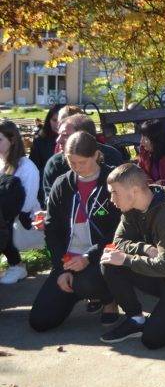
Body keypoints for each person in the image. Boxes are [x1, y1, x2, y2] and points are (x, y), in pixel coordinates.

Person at [97, 164, 165, 348]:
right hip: (161, 275)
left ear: (135, 190)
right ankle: (136, 319)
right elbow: (119, 241)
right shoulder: (130, 209)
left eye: (115, 192)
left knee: (152, 340)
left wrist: (127, 259)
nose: (111, 199)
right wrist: (144, 248)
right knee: (109, 262)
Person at [29, 132, 121, 331]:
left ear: (96, 155)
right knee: (40, 321)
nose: (77, 168)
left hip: (102, 255)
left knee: (86, 280)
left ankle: (107, 299)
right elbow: (52, 230)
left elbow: (119, 229)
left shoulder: (113, 180)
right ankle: (78, 291)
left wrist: (89, 256)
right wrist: (61, 269)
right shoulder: (62, 184)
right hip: (68, 258)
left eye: (82, 162)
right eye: (72, 162)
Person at [42, 113, 125, 204]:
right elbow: (51, 201)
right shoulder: (55, 163)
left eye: (65, 135)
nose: (58, 140)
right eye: (59, 134)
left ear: (84, 137)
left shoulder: (111, 156)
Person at [0, 119, 41, 284]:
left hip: (22, 219)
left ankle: (16, 265)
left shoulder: (27, 167)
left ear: (12, 140)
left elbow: (27, 204)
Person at [29, 104, 61, 173]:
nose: (58, 124)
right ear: (49, 120)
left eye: (61, 120)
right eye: (54, 120)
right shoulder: (39, 140)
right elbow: (33, 167)